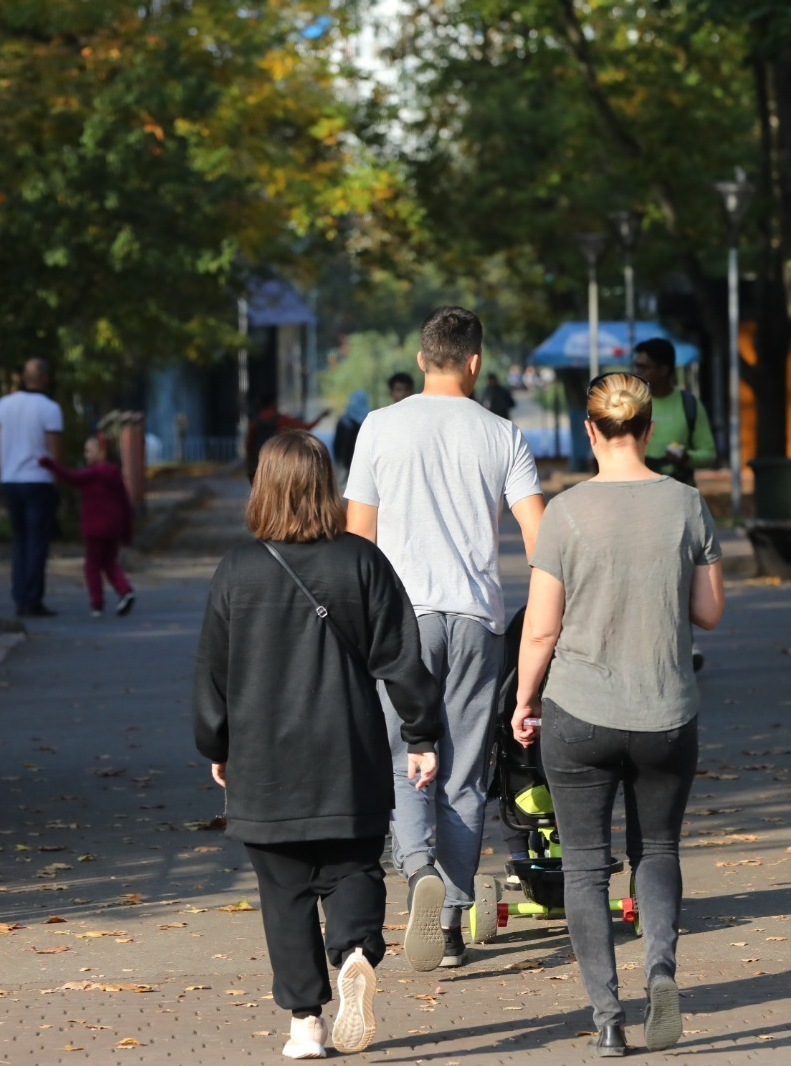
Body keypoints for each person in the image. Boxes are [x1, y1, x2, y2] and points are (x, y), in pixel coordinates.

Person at [195, 431, 442, 1060]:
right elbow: (401, 655)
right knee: (355, 865)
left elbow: (213, 673)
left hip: (264, 762)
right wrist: (420, 733)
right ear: (325, 486)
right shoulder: (361, 561)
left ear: (263, 486)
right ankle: (356, 950)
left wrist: (215, 743)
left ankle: (305, 1023)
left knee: (284, 893)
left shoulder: (236, 570)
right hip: (348, 751)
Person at [510, 372, 724, 1056]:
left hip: (580, 712)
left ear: (591, 430)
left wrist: (522, 700)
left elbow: (540, 630)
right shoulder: (688, 504)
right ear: (651, 428)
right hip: (665, 711)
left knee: (581, 864)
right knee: (657, 849)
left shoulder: (566, 514)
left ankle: (607, 1017)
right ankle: (660, 968)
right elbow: (709, 612)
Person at [345, 306, 546, 971]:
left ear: (424, 355)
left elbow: (358, 543)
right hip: (477, 621)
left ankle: (418, 873)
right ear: (475, 362)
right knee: (465, 772)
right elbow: (541, 543)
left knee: (409, 759)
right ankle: (454, 923)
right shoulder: (504, 435)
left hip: (401, 619)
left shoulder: (379, 427)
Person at [0, 358, 63, 617]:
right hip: (38, 481)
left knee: (19, 540)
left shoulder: (3, 405)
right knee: (37, 541)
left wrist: (4, 470)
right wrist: (57, 480)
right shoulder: (50, 408)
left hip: (11, 481)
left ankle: (20, 596)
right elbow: (54, 449)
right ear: (44, 377)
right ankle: (33, 599)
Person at [40, 432, 136, 618]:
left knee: (92, 565)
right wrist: (126, 531)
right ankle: (125, 591)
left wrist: (49, 463)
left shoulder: (92, 474)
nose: (86, 455)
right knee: (109, 563)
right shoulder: (114, 474)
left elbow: (70, 477)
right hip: (113, 528)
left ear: (101, 452)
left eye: (89, 451)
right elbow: (125, 503)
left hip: (94, 528)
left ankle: (97, 603)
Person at [631, 338, 715, 486]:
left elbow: (709, 454)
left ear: (663, 370)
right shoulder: (632, 404)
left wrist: (687, 457)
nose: (637, 372)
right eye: (636, 366)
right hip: (639, 493)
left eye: (643, 367)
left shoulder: (690, 404)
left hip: (679, 492)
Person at [245, 397, 329, 483]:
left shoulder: (255, 421)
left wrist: (250, 457)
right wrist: (321, 417)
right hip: (276, 456)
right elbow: (306, 427)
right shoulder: (281, 419)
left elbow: (249, 442)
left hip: (259, 457)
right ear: (273, 404)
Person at [332, 391, 370, 477]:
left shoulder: (344, 421)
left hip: (346, 463)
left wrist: (337, 461)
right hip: (365, 465)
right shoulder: (370, 419)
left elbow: (337, 444)